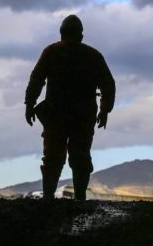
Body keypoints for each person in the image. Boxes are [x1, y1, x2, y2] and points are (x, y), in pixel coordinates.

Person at [25, 14, 115, 201]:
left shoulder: (51, 52)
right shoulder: (92, 56)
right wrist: (104, 110)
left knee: (53, 157)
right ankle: (79, 197)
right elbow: (108, 85)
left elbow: (36, 80)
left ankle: (49, 198)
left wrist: (30, 104)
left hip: (57, 116)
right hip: (82, 117)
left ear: (61, 34)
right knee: (79, 156)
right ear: (81, 35)